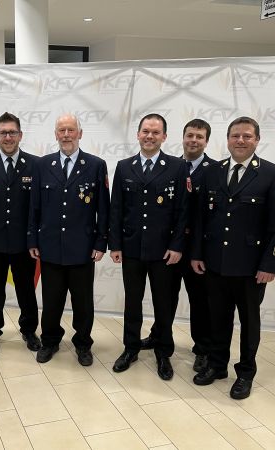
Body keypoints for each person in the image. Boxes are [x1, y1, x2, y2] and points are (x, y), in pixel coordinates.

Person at [191, 116, 275, 400]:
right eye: (235, 136)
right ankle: (217, 365)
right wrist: (197, 253)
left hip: (250, 268)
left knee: (249, 323)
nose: (240, 141)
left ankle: (245, 373)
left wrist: (270, 264)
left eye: (247, 136)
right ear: (228, 140)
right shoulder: (213, 172)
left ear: (257, 140)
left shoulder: (272, 174)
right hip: (215, 263)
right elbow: (200, 218)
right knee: (217, 319)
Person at [109, 113, 189, 380]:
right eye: (145, 131)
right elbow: (117, 208)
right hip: (132, 248)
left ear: (164, 136)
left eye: (155, 132)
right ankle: (130, 348)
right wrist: (115, 244)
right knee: (132, 303)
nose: (150, 136)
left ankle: (163, 353)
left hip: (164, 252)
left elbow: (183, 211)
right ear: (138, 134)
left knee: (163, 305)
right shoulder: (124, 167)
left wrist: (177, 246)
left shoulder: (177, 167)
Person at [28, 114, 110, 366]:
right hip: (50, 247)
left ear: (80, 134)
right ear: (56, 134)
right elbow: (34, 207)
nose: (66, 135)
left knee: (83, 303)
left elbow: (103, 208)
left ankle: (83, 344)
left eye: (71, 130)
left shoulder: (95, 165)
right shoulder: (43, 165)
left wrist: (101, 242)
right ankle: (50, 341)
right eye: (61, 130)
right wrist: (32, 240)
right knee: (51, 300)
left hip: (83, 249)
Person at [141, 119, 216, 373]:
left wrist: (199, 250)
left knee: (200, 302)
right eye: (190, 135)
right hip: (170, 248)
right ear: (182, 137)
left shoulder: (214, 171)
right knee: (165, 298)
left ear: (206, 141)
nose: (193, 140)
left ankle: (202, 348)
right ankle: (159, 335)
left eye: (199, 137)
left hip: (196, 251)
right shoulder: (171, 166)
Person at [0, 112, 41, 355]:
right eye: (4, 133)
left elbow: (38, 206)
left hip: (24, 243)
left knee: (26, 289)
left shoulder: (35, 164)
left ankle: (29, 330)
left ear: (20, 135)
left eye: (12, 132)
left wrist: (35, 239)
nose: (8, 137)